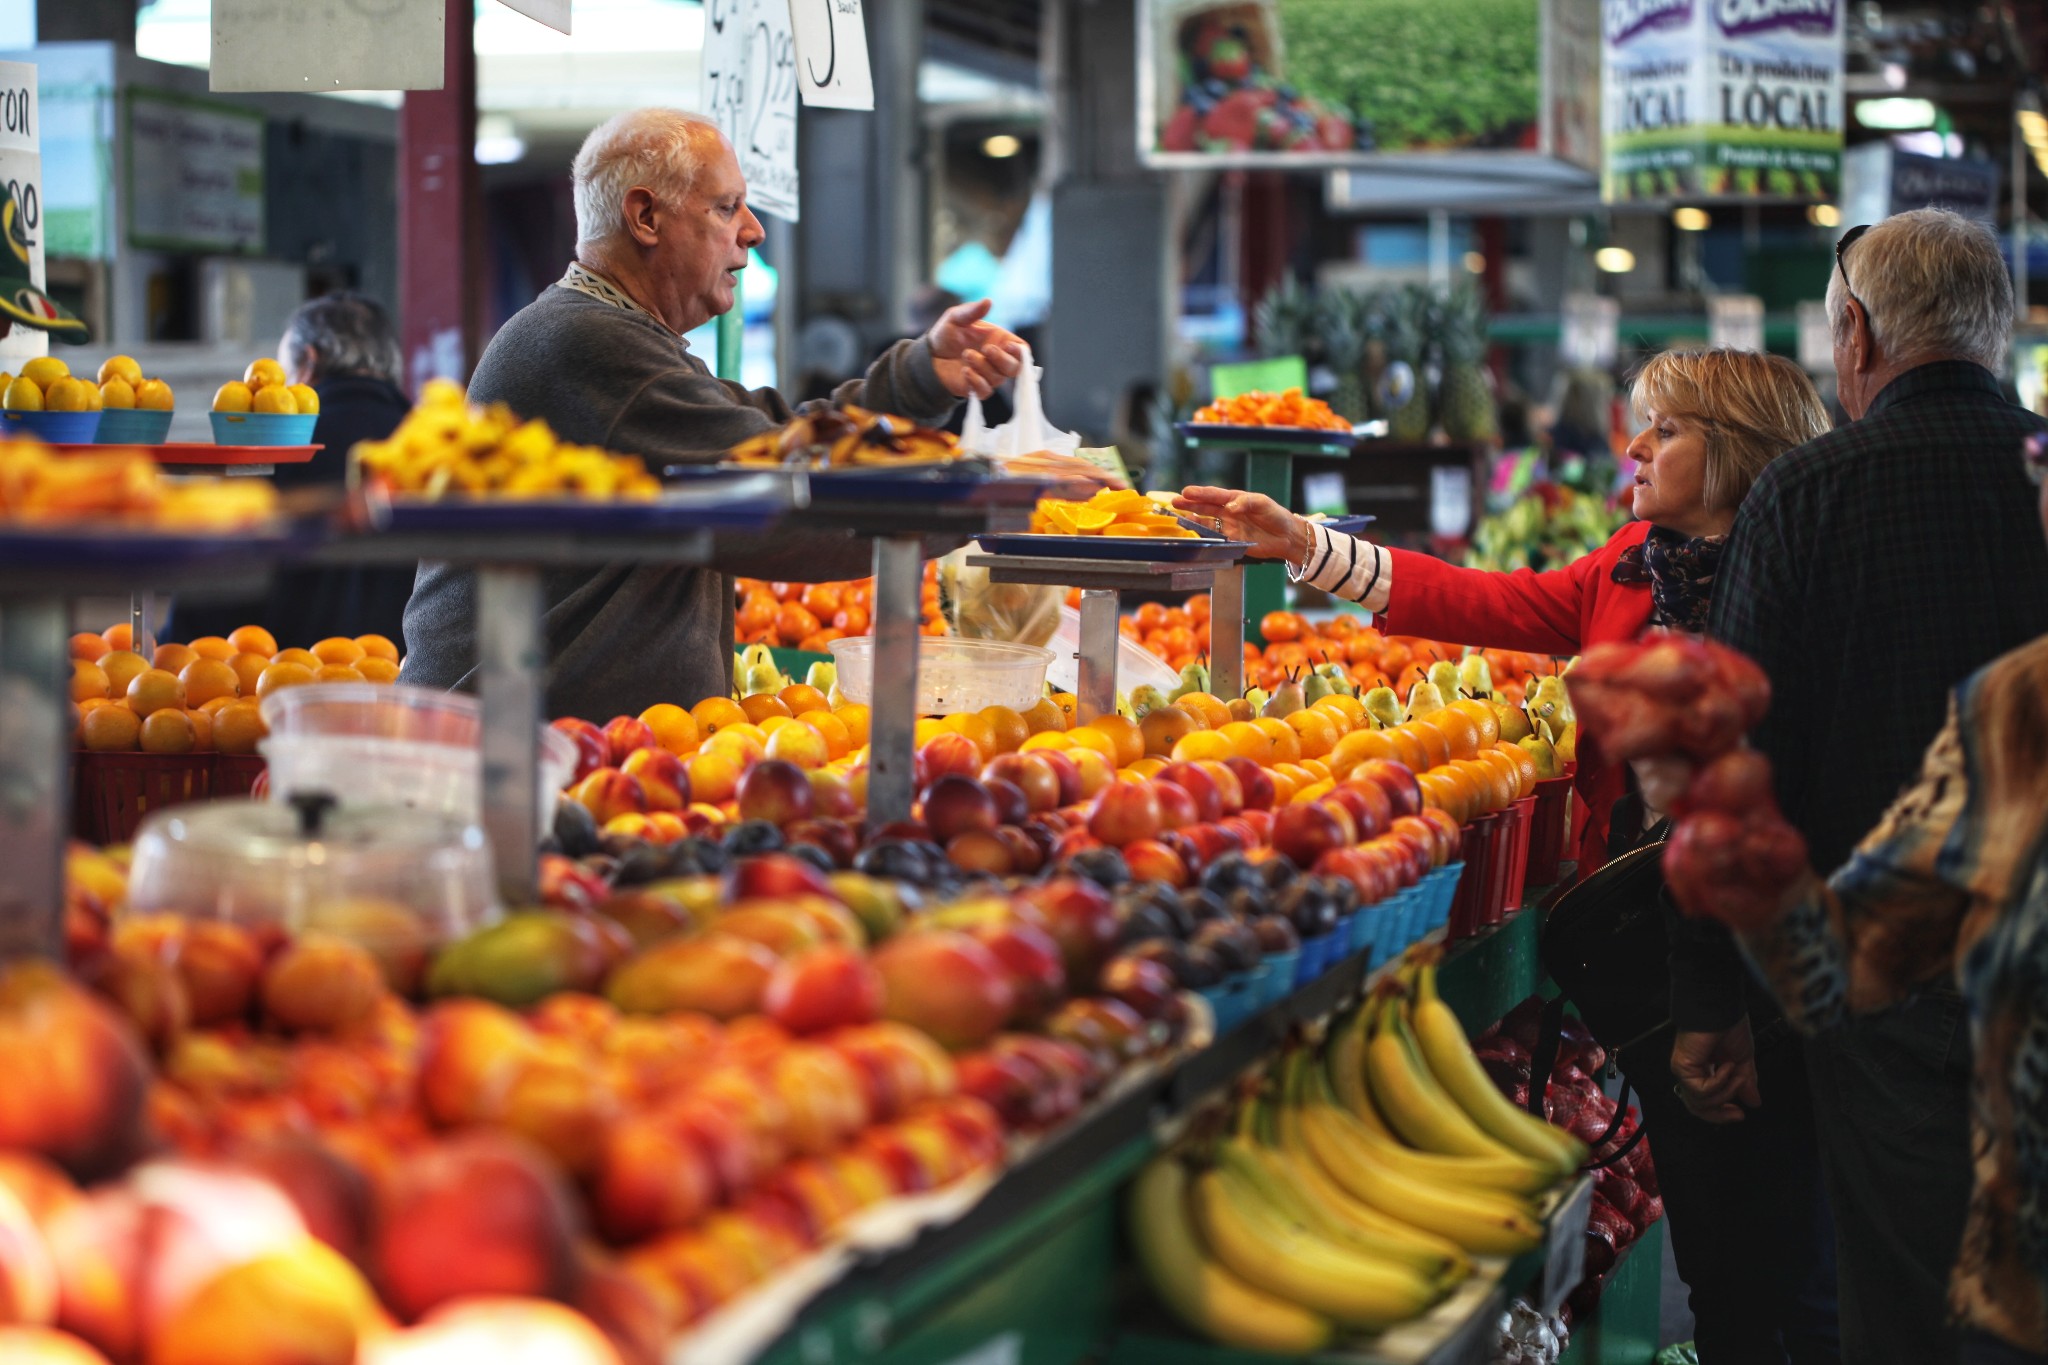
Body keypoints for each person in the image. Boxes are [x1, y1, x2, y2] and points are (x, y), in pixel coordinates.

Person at [1176, 347, 1842, 1365]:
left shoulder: (1803, 593)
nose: (1634, 446)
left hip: (1776, 973)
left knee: (1797, 1254)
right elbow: (1484, 603)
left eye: (1664, 429)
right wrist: (1305, 545)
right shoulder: (1625, 566)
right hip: (1652, 961)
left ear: (1741, 451)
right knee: (1716, 1255)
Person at [1694, 208, 2048, 1365]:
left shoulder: (1804, 493)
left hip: (1884, 983)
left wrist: (1717, 999)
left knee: (1898, 1302)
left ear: (1853, 335)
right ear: (1992, 334)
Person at [400, 109, 1053, 721]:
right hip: (520, 756)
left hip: (570, 743)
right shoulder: (587, 344)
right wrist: (985, 502)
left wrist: (915, 378)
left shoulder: (620, 335)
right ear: (646, 217)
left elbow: (779, 436)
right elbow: (778, 505)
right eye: (726, 207)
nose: (754, 230)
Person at [172, 292, 415, 645]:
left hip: (276, 683)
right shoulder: (427, 452)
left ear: (308, 362)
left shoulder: (273, 450)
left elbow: (210, 588)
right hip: (408, 684)